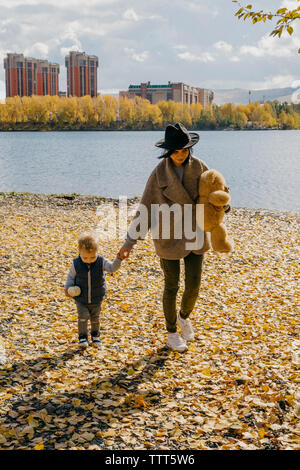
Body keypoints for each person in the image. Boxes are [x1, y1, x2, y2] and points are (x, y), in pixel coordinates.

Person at [118, 123, 230, 352]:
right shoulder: (159, 174)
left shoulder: (201, 168)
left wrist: (222, 206)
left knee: (194, 285)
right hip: (167, 236)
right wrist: (129, 242)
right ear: (168, 151)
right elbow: (145, 208)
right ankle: (171, 332)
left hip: (195, 234)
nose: (181, 155)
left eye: (185, 150)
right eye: (176, 151)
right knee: (171, 286)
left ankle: (183, 317)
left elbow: (218, 192)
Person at [64, 232, 123, 349]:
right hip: (81, 297)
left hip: (97, 296)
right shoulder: (76, 263)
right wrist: (68, 288)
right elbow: (70, 277)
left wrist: (119, 258)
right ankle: (82, 337)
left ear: (97, 252)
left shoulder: (101, 262)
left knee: (95, 317)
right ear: (79, 252)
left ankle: (95, 336)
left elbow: (112, 268)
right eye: (85, 257)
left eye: (92, 257)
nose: (89, 260)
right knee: (83, 316)